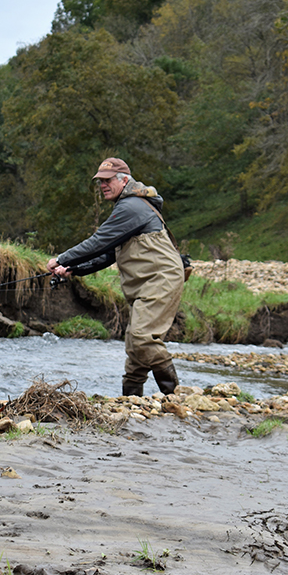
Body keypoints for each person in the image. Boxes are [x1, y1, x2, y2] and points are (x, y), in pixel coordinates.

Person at [47, 157, 185, 396]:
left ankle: (175, 395)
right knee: (134, 343)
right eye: (100, 181)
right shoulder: (130, 207)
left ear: (124, 180)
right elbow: (108, 253)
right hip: (147, 283)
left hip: (161, 279)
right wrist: (75, 269)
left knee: (142, 337)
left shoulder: (132, 206)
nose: (102, 186)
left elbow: (99, 241)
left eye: (108, 180)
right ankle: (131, 399)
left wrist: (62, 259)